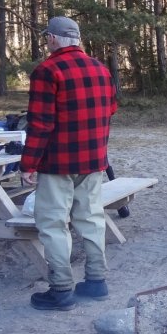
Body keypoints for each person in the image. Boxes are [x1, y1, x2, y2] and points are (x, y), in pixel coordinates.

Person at [20, 16, 118, 311]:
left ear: (52, 38)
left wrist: (28, 164)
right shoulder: (100, 69)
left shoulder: (47, 71)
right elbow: (111, 108)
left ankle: (61, 289)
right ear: (77, 38)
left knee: (52, 224)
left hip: (57, 162)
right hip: (92, 159)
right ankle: (97, 281)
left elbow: (40, 123)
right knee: (91, 218)